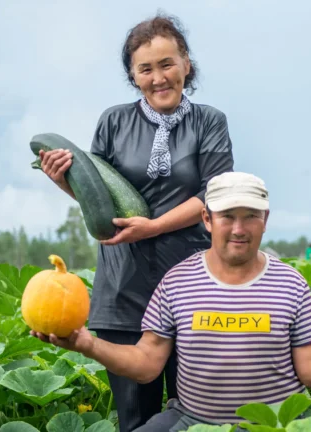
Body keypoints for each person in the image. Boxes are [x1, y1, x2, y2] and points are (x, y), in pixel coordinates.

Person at [31, 171, 311, 431]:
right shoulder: (177, 281)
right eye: (227, 216)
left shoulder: (290, 283)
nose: (238, 229)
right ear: (206, 219)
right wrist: (86, 344)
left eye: (249, 216)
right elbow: (147, 365)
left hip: (274, 426)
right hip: (192, 422)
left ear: (265, 219)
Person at [36, 13, 234, 432]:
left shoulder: (210, 121)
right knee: (134, 420)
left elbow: (214, 195)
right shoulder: (113, 121)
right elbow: (99, 200)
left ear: (187, 64)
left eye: (167, 64)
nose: (158, 77)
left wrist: (155, 226)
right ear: (133, 75)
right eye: (146, 68)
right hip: (122, 290)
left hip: (191, 286)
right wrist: (63, 181)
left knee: (196, 416)